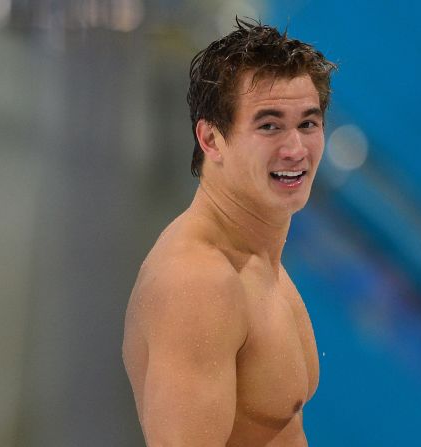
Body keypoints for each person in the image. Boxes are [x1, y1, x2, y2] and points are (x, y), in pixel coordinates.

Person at [122, 18, 336, 446]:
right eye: (269, 125)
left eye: (308, 124)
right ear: (211, 138)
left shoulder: (254, 255)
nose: (295, 150)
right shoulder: (200, 284)